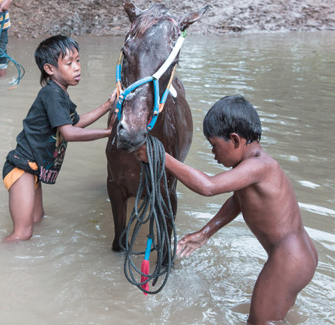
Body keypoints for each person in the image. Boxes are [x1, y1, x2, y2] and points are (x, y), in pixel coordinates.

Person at [134, 95, 318, 325]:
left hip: (290, 258)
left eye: (215, 146)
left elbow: (208, 186)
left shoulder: (259, 166)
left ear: (235, 139)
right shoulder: (251, 166)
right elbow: (238, 201)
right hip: (299, 255)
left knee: (258, 322)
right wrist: (205, 233)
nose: (213, 154)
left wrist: (160, 156)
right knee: (275, 318)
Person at [2, 35, 116, 242]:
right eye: (69, 63)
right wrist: (109, 132)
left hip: (32, 169)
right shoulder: (52, 95)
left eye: (78, 61)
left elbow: (74, 124)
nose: (77, 67)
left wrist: (107, 106)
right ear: (50, 69)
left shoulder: (59, 94)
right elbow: (70, 133)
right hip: (21, 168)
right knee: (22, 233)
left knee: (38, 220)